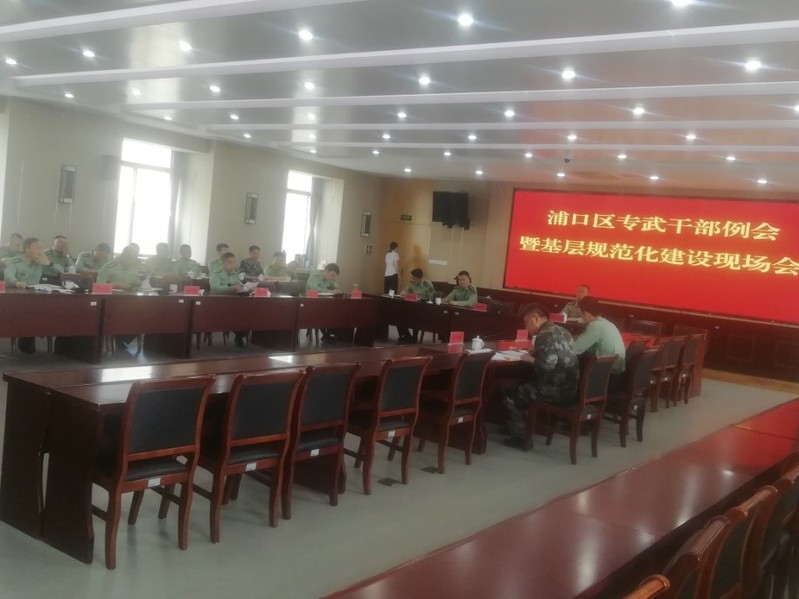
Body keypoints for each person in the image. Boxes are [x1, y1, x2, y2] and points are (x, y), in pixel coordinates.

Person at [503, 304, 580, 448]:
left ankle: (521, 437)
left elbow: (547, 365)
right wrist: (536, 354)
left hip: (554, 390)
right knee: (525, 385)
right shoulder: (562, 330)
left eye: (526, 322)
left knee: (513, 394)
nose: (526, 327)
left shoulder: (544, 335)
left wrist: (528, 358)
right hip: (570, 389)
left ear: (536, 318)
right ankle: (518, 426)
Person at [4, 237, 66, 353]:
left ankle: (34, 334)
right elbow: (8, 276)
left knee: (55, 310)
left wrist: (49, 263)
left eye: (41, 248)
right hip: (15, 299)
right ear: (27, 249)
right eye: (37, 248)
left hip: (35, 298)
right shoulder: (15, 261)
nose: (40, 251)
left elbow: (62, 272)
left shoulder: (40, 261)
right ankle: (27, 337)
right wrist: (16, 282)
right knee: (31, 311)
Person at [573, 296, 626, 379]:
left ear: (586, 313)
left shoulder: (595, 326)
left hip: (608, 373)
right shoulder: (606, 323)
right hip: (617, 369)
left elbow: (575, 349)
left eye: (581, 313)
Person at [209, 252, 248, 347]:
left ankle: (239, 335)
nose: (232, 265)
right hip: (220, 303)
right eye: (229, 262)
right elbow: (215, 288)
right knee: (237, 315)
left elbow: (240, 284)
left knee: (247, 314)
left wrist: (245, 287)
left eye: (234, 262)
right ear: (223, 263)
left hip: (234, 303)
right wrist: (231, 288)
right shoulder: (216, 273)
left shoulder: (235, 274)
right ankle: (238, 335)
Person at [396, 268, 436, 343]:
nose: (412, 279)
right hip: (412, 307)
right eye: (412, 277)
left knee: (416, 317)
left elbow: (431, 298)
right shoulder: (411, 283)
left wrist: (415, 297)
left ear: (419, 278)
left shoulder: (427, 284)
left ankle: (414, 338)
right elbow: (402, 293)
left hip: (424, 309)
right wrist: (413, 296)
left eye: (413, 278)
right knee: (398, 317)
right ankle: (406, 336)